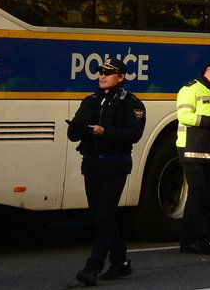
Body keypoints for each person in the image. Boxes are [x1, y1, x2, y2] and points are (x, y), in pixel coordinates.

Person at [67, 57, 145, 286]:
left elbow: (133, 134)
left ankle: (93, 267)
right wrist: (80, 128)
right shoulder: (90, 101)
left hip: (115, 165)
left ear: (120, 77)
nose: (102, 76)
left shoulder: (132, 103)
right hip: (91, 164)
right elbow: (73, 134)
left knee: (104, 215)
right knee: (99, 216)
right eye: (100, 72)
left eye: (108, 73)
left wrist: (105, 132)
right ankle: (120, 261)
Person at [176, 56, 210, 255]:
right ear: (209, 69)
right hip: (191, 150)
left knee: (201, 197)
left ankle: (188, 240)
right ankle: (205, 240)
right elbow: (184, 116)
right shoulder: (190, 89)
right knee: (199, 196)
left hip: (209, 151)